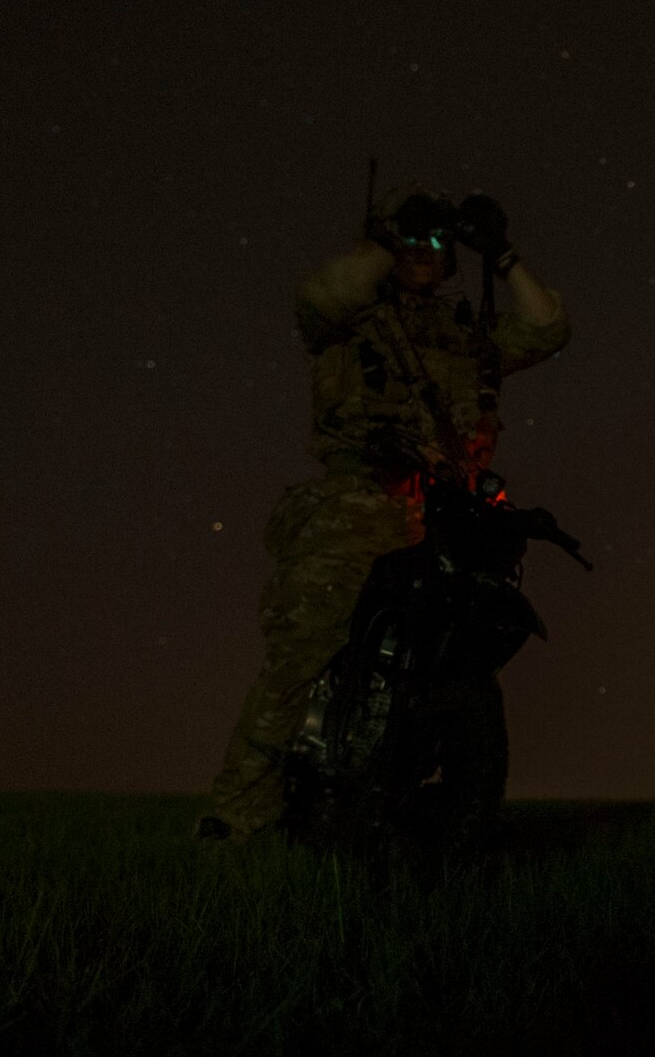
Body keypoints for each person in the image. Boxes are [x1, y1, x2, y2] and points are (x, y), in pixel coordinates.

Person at [199, 186, 569, 840]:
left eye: (435, 242)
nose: (424, 254)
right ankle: (237, 820)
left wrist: (503, 255)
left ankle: (437, 813)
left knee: (465, 658)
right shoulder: (348, 316)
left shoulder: (462, 335)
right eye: (413, 242)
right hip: (359, 502)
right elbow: (324, 293)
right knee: (303, 653)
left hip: (451, 511)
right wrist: (390, 233)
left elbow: (547, 328)